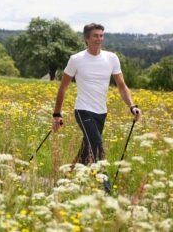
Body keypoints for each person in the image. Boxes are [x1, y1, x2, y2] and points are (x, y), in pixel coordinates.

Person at [52, 23, 141, 192]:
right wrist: (57, 113)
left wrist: (132, 106)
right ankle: (106, 191)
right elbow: (63, 87)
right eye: (95, 36)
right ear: (87, 38)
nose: (99, 39)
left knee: (86, 150)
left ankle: (67, 182)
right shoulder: (76, 59)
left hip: (101, 112)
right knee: (98, 148)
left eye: (101, 36)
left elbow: (122, 86)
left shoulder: (111, 58)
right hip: (83, 110)